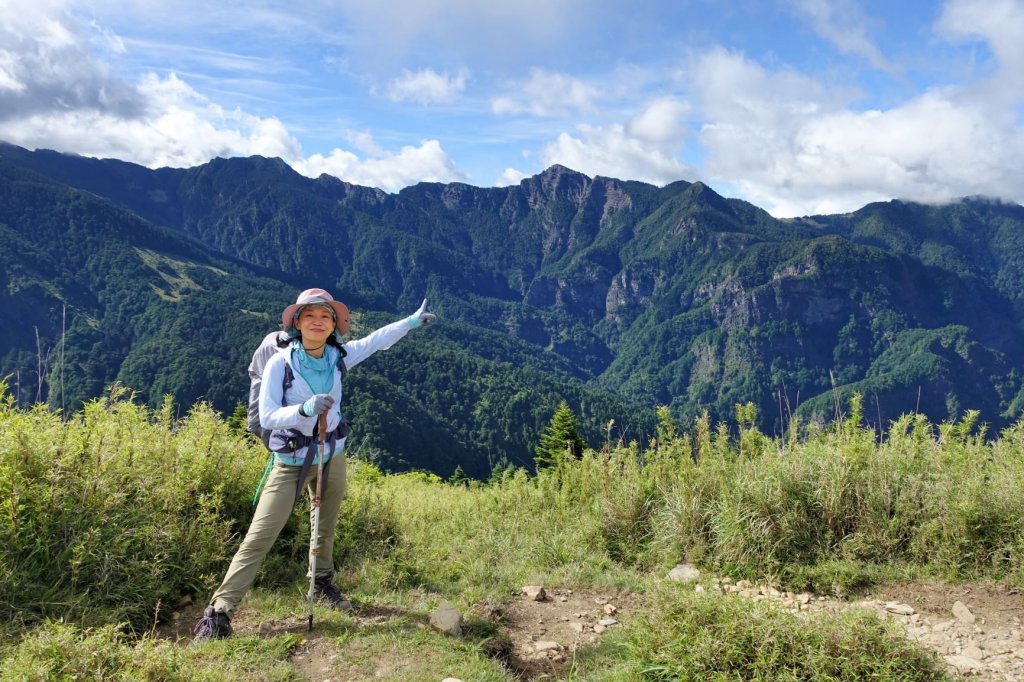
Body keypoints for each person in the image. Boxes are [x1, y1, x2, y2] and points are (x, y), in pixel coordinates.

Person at [194, 288, 435, 640]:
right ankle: (219, 612)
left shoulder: (337, 357)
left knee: (325, 524)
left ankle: (321, 583)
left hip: (331, 455)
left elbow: (374, 341)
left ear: (334, 324)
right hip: (290, 461)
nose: (318, 322)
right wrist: (304, 410)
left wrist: (410, 322)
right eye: (310, 316)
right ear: (297, 324)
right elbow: (268, 414)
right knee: (261, 535)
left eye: (325, 316)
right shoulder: (281, 364)